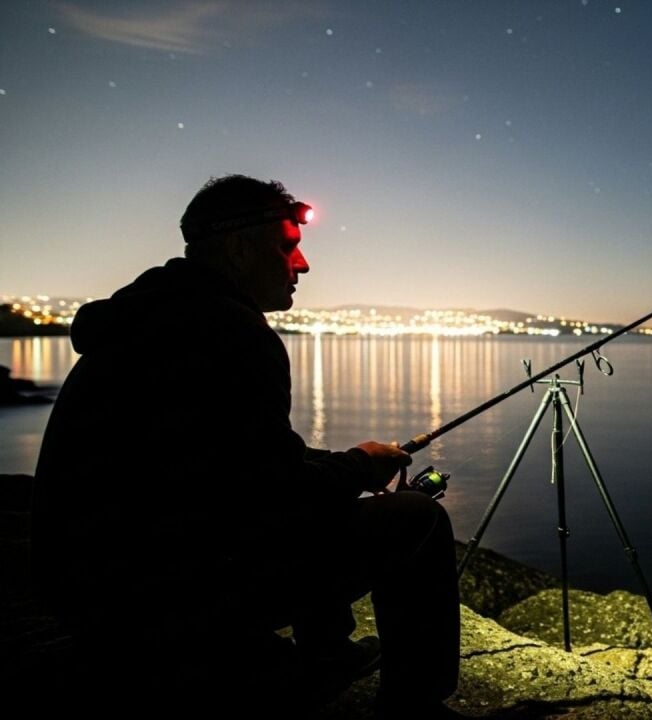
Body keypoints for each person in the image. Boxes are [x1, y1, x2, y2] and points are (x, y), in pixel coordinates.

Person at [31, 175, 461, 718]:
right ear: (238, 248)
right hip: (152, 596)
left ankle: (318, 658)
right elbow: (267, 492)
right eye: (288, 246)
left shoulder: (146, 318)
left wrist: (344, 465)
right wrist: (356, 468)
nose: (301, 264)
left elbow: (226, 462)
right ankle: (414, 706)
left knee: (323, 491)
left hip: (85, 578)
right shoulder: (233, 333)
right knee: (415, 519)